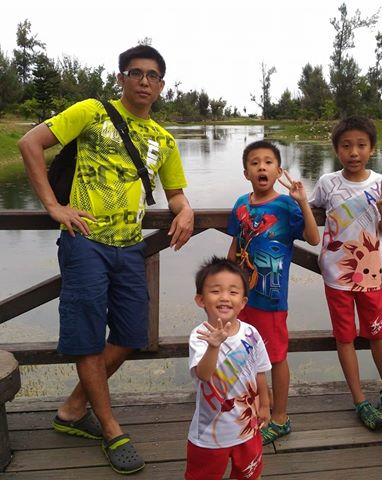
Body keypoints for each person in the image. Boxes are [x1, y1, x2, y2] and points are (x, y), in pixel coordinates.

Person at [18, 44, 194, 474]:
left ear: (162, 85)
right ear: (121, 78)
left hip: (131, 247)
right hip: (85, 242)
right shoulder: (92, 112)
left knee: (132, 332)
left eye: (153, 76)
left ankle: (73, 408)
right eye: (136, 73)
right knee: (87, 336)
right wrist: (53, 207)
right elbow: (30, 143)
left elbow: (173, 193)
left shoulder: (164, 139)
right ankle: (111, 428)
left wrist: (186, 210)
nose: (144, 81)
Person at [227, 140, 320, 445]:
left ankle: (280, 418)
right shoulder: (240, 204)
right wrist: (226, 288)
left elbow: (313, 238)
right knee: (246, 353)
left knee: (276, 356)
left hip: (272, 298)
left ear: (278, 171)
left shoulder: (286, 206)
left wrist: (302, 201)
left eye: (268, 162)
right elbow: (235, 247)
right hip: (243, 298)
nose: (261, 167)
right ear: (246, 173)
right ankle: (256, 408)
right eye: (255, 163)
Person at [308, 115, 382, 431]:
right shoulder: (327, 183)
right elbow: (311, 208)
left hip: (371, 276)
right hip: (336, 277)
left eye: (361, 145)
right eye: (346, 146)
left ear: (372, 149)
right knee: (344, 337)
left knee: (378, 334)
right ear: (337, 150)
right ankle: (359, 399)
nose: (354, 152)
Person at [185, 256, 271, 480]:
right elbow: (203, 375)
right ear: (201, 300)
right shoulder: (200, 336)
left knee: (249, 474)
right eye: (215, 291)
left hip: (247, 426)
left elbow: (260, 372)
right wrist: (214, 346)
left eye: (233, 292)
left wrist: (265, 405)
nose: (224, 297)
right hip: (210, 433)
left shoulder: (251, 333)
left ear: (243, 302)